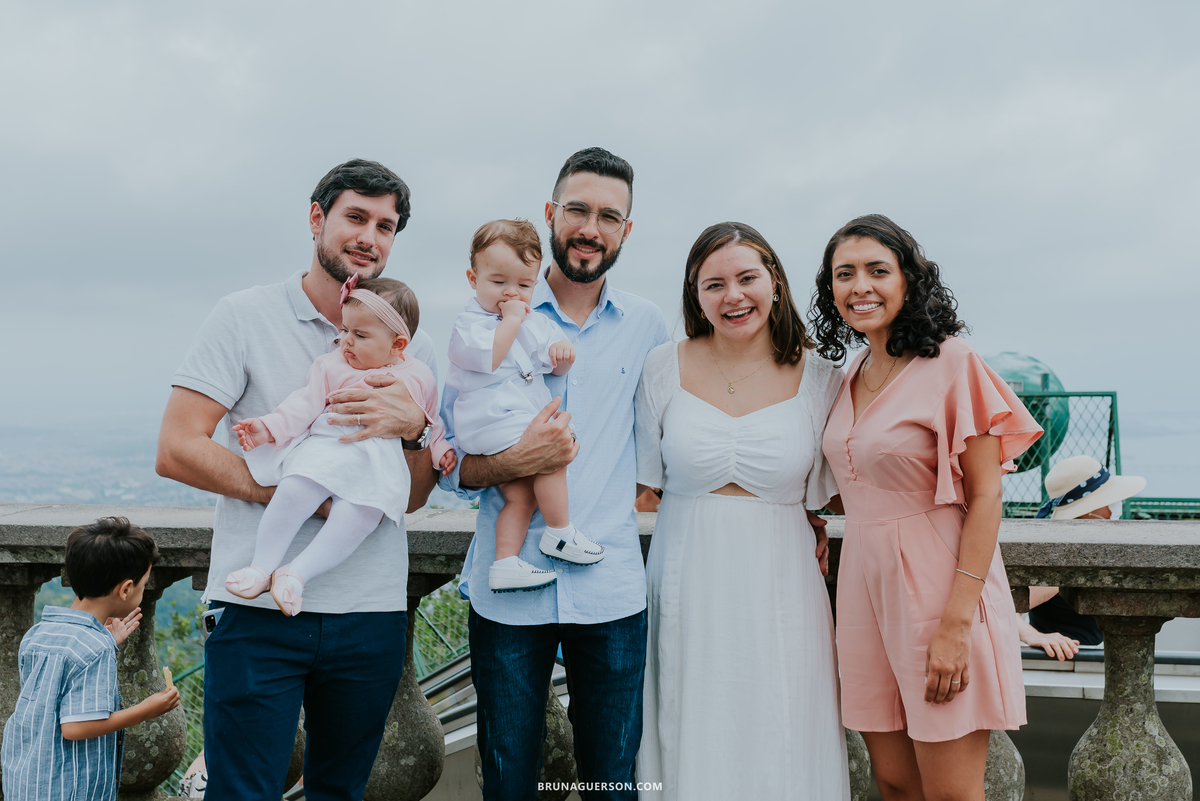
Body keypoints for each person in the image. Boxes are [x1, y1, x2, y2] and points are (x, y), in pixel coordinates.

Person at [156, 159, 438, 801]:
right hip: (255, 613)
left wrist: (416, 433)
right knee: (241, 792)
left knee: (339, 793)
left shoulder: (405, 341)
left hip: (369, 612)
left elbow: (413, 495)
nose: (370, 236)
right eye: (356, 217)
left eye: (386, 225)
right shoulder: (243, 316)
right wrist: (301, 492)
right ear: (317, 219)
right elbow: (175, 448)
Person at [439, 148, 669, 801]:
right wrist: (518, 461)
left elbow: (665, 449)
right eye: (577, 209)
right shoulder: (486, 319)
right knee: (509, 778)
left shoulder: (649, 327)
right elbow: (456, 465)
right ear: (550, 215)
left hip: (612, 589)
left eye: (608, 215)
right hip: (509, 595)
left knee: (611, 782)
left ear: (626, 230)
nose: (590, 227)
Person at [811, 214, 1043, 800]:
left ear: (909, 281)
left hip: (938, 585)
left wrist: (956, 625)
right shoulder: (848, 374)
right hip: (861, 582)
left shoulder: (953, 362)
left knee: (950, 794)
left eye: (876, 271)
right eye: (844, 274)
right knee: (893, 783)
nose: (859, 285)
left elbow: (987, 496)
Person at [634, 222, 851, 800]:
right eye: (714, 284)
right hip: (686, 570)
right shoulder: (662, 366)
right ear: (695, 294)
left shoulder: (823, 377)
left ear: (774, 282)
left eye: (747, 278)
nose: (733, 296)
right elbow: (636, 487)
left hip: (783, 577)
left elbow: (843, 483)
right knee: (686, 718)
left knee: (783, 722)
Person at [227, 276, 453, 615]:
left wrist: (441, 451)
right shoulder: (332, 364)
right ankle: (262, 567)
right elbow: (303, 404)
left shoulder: (419, 376)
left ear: (398, 345)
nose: (345, 341)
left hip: (376, 465)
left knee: (361, 517)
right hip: (329, 449)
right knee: (295, 489)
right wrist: (268, 427)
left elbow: (429, 420)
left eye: (359, 335)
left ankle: (296, 575)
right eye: (345, 330)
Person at [447, 219, 603, 593]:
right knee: (551, 450)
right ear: (474, 278)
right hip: (489, 421)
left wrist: (562, 354)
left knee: (520, 495)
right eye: (499, 283)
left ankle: (505, 562)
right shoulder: (470, 325)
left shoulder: (536, 322)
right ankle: (560, 531)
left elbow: (556, 362)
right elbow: (490, 356)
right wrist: (513, 320)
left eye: (524, 285)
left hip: (513, 421)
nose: (511, 294)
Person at [1, 517, 180, 801]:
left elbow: (54, 693)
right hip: (68, 789)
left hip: (27, 782)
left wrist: (106, 639)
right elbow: (75, 728)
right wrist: (146, 710)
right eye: (144, 584)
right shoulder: (96, 649)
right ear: (126, 589)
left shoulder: (37, 634)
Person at [1017, 455, 1147, 658]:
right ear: (1087, 512)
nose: (1117, 504)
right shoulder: (1060, 560)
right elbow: (1004, 608)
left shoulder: (1084, 550)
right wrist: (1035, 636)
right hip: (1071, 662)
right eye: (1110, 500)